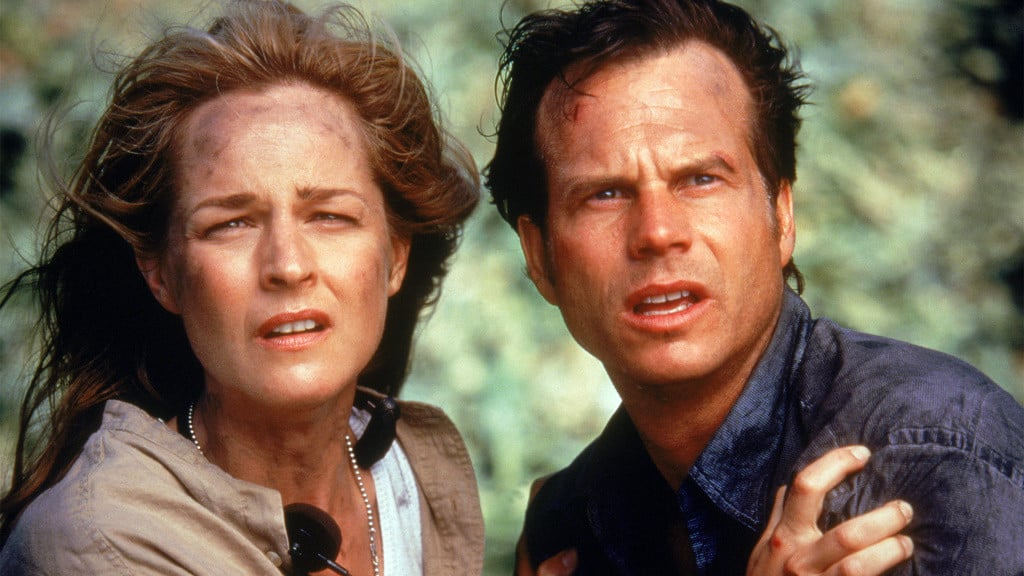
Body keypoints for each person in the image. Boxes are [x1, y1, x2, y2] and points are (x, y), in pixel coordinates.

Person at [485, 0, 1024, 574]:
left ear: (782, 216)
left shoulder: (930, 455)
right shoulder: (567, 525)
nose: (658, 233)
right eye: (605, 194)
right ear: (539, 256)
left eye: (700, 179)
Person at [0, 1, 484, 574]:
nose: (288, 266)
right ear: (162, 273)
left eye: (330, 216)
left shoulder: (414, 477)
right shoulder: (97, 541)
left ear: (396, 255)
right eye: (231, 224)